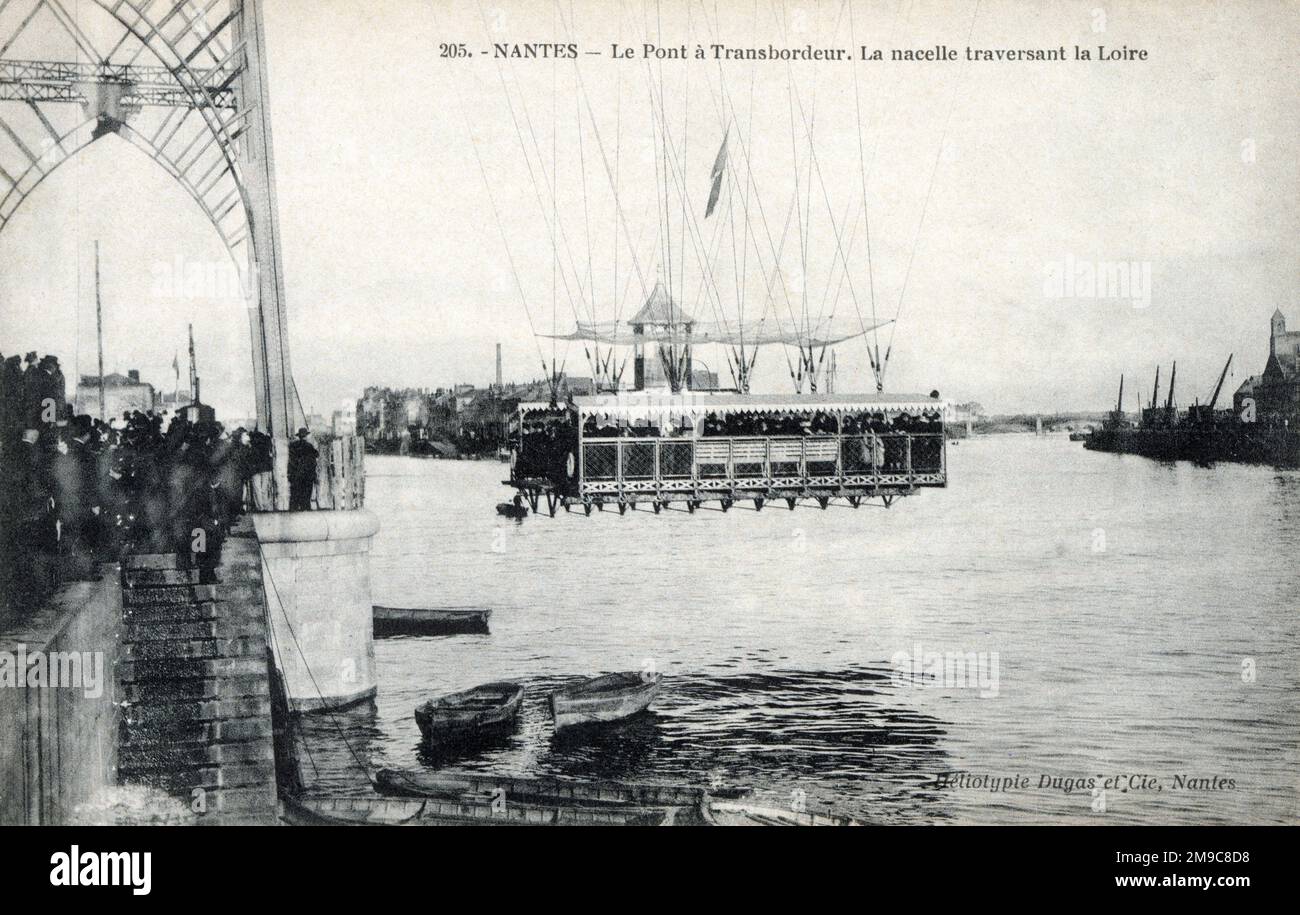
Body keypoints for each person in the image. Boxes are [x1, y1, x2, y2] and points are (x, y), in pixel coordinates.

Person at [288, 427, 318, 511]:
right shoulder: (309, 446)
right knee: (307, 490)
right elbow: (316, 455)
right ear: (306, 436)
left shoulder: (293, 445)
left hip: (296, 471)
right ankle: (306, 506)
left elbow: (291, 459)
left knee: (296, 490)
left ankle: (295, 507)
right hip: (307, 472)